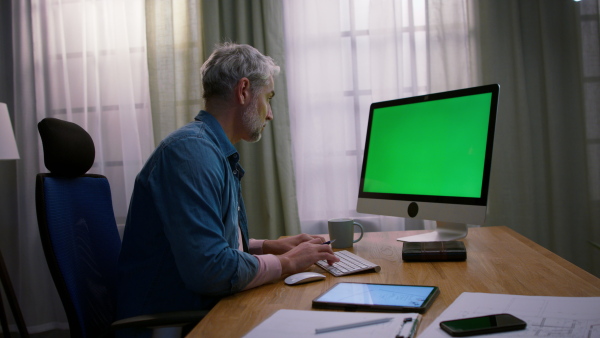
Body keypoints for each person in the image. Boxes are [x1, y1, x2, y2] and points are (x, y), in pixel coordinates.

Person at [116, 43, 338, 335]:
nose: (269, 114)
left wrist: (269, 246)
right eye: (268, 98)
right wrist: (285, 263)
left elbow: (211, 241)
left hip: (194, 309)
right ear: (244, 90)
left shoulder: (209, 150)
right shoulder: (191, 153)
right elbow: (210, 269)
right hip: (170, 323)